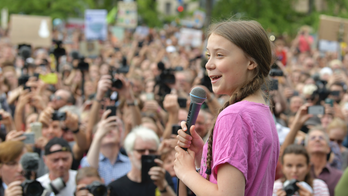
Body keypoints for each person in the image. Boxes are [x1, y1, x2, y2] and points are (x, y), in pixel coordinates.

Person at [174, 20, 279, 195]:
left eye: (220, 55)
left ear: (251, 62)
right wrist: (204, 154)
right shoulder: (262, 111)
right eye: (209, 56)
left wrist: (186, 173)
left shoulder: (234, 115)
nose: (208, 64)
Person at [108, 126, 175, 196]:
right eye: (141, 151)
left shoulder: (164, 177)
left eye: (152, 151)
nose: (147, 154)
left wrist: (162, 185)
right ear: (130, 154)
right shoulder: (116, 187)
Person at [80, 110, 131, 185]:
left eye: (113, 127)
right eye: (104, 129)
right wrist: (99, 136)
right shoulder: (87, 160)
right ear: (95, 136)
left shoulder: (130, 163)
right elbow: (88, 171)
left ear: (120, 134)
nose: (108, 130)